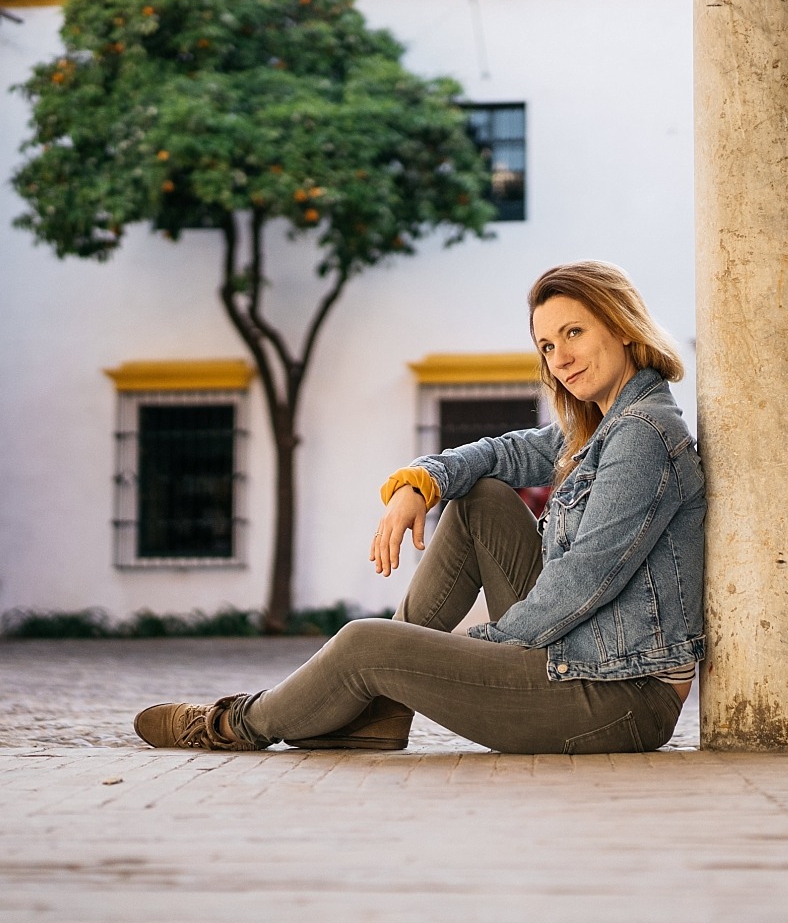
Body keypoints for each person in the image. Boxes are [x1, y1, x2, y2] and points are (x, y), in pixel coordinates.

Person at [133, 261, 706, 754]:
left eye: (574, 332)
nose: (560, 358)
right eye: (547, 345)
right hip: (583, 655)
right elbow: (500, 453)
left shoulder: (643, 435)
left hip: (618, 695)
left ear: (623, 326)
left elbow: (583, 582)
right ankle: (379, 711)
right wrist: (421, 483)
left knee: (367, 644)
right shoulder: (600, 427)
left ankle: (233, 725)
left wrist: (460, 651)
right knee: (477, 497)